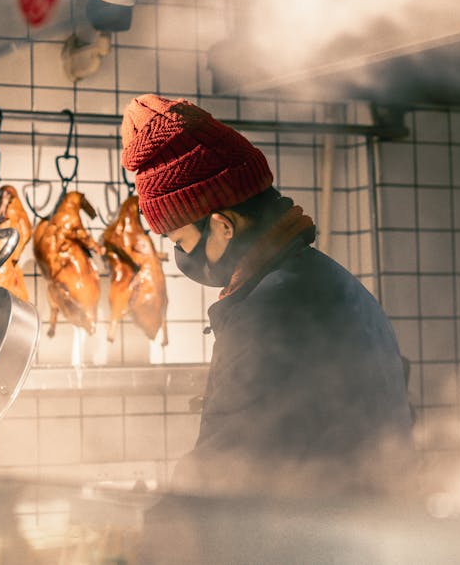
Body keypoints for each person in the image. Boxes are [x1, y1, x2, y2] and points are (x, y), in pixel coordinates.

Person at [120, 94, 414, 501]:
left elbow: (221, 472)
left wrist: (153, 536)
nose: (182, 258)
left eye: (181, 241)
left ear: (223, 226)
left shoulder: (268, 312)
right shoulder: (330, 281)